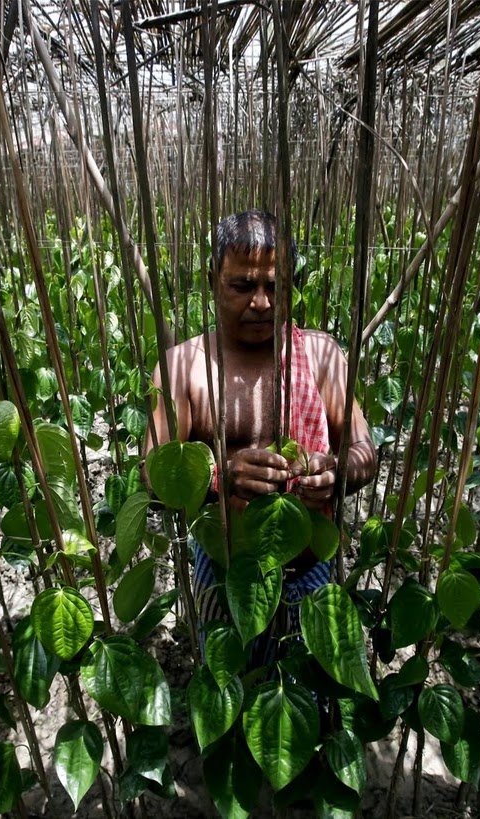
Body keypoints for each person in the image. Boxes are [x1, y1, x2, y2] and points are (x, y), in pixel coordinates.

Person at [143, 209, 377, 665]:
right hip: (226, 572)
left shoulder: (321, 356)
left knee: (304, 696)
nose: (263, 302)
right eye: (243, 286)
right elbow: (153, 473)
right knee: (228, 679)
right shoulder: (183, 367)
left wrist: (336, 470)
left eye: (275, 286)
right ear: (213, 280)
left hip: (310, 570)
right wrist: (217, 478)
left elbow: (365, 449)